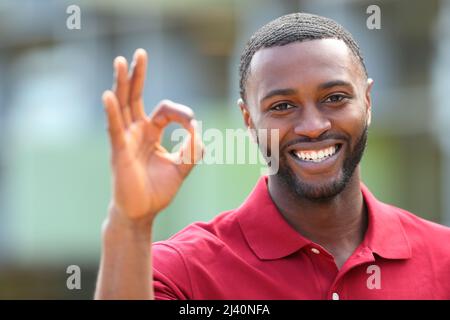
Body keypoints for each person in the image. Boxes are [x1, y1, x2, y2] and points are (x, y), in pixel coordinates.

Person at [94, 13, 450, 300]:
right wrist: (130, 223)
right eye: (282, 106)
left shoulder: (443, 258)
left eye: (335, 98)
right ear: (249, 121)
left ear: (368, 103)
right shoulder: (184, 272)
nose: (312, 126)